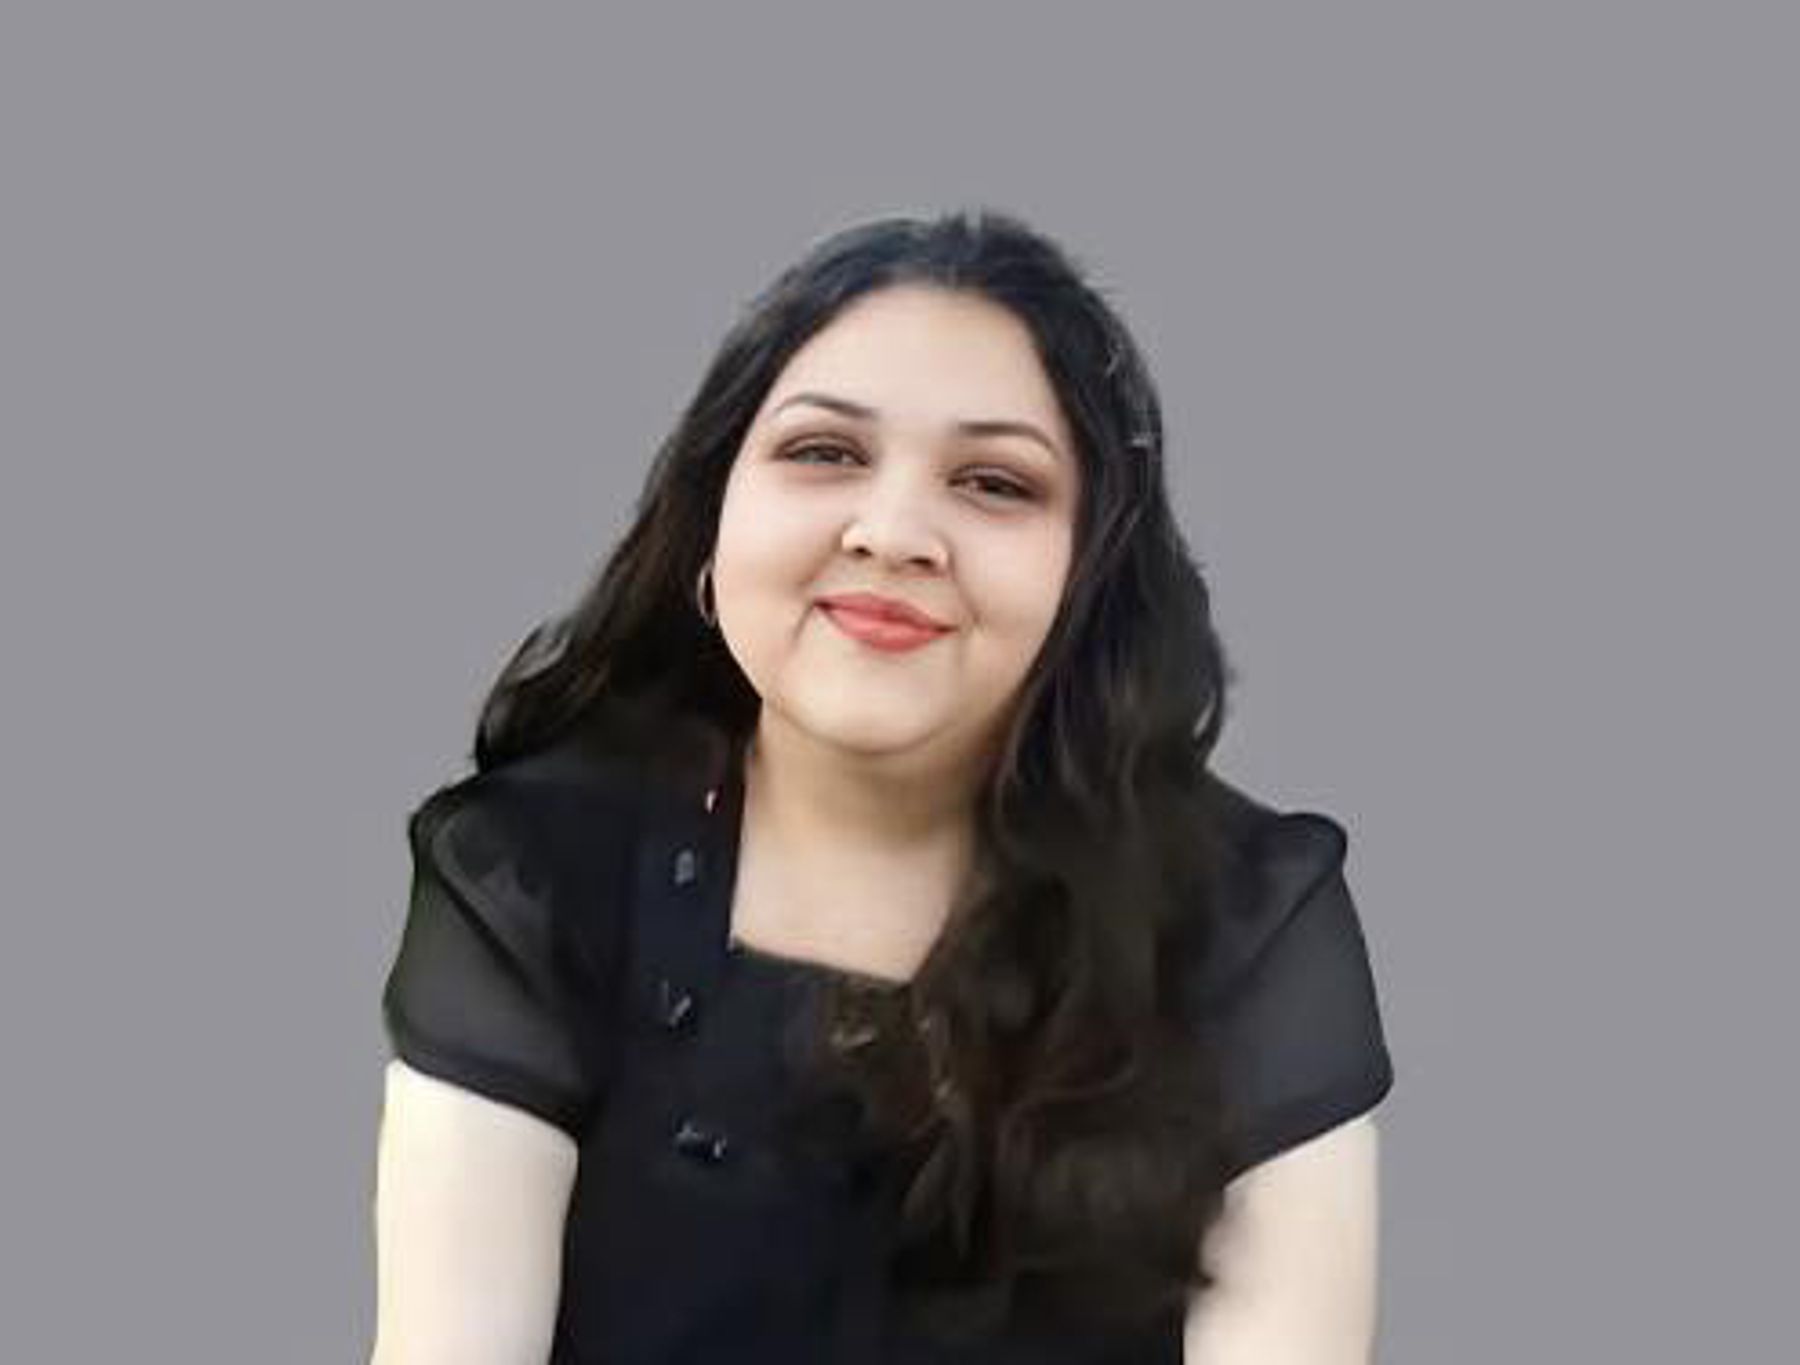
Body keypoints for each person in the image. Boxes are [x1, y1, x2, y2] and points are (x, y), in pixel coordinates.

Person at [370, 209, 1396, 1364]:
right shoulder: (537, 876)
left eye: (994, 482)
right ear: (711, 521)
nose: (895, 533)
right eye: (825, 453)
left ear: (1089, 578)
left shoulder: (1247, 922)